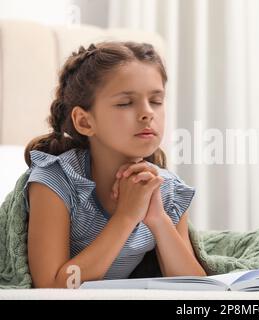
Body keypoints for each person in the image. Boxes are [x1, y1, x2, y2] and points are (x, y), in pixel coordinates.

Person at [23, 41, 206, 288]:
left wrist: (159, 220)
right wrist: (126, 217)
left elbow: (197, 290)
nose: (147, 113)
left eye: (156, 101)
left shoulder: (168, 188)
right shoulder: (55, 180)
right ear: (84, 121)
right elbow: (52, 287)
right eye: (125, 103)